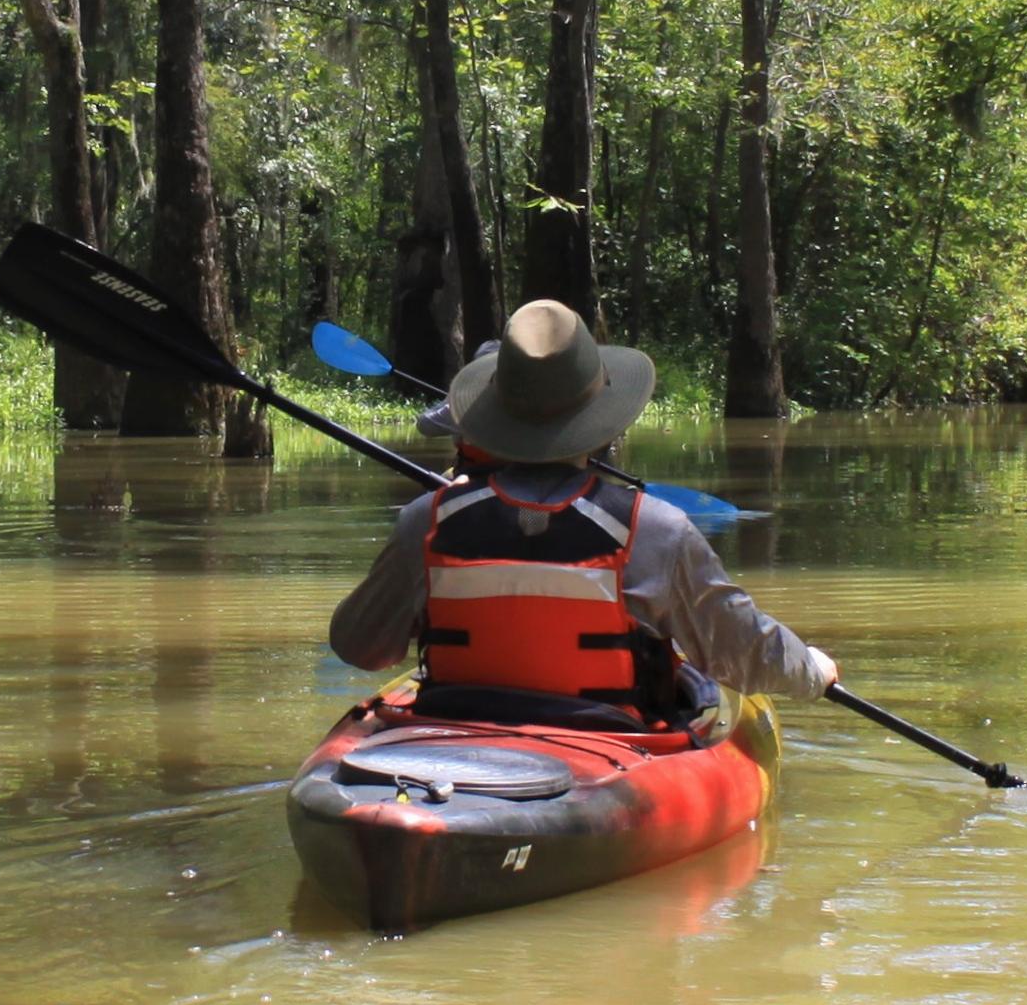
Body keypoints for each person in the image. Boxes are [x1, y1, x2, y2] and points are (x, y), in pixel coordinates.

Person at [330, 300, 838, 726]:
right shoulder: (655, 530)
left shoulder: (427, 520)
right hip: (606, 747)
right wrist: (812, 668)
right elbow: (747, 653)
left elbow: (360, 647)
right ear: (603, 426)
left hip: (454, 739)